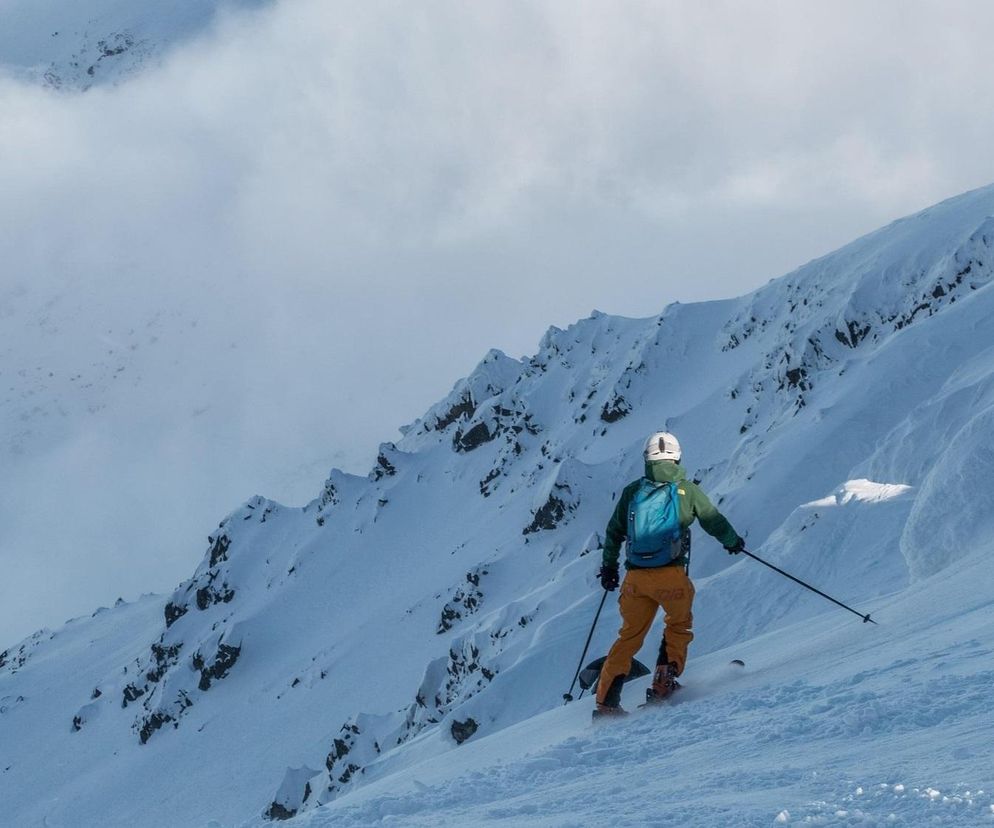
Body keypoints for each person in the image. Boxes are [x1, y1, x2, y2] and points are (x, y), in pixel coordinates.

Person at [593, 430, 744, 718]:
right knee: (678, 626)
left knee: (629, 637)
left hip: (636, 579)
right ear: (677, 457)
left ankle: (606, 704)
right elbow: (712, 519)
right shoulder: (686, 490)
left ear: (647, 459)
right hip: (671, 577)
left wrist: (609, 567)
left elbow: (614, 532)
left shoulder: (632, 492)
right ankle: (664, 684)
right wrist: (732, 541)